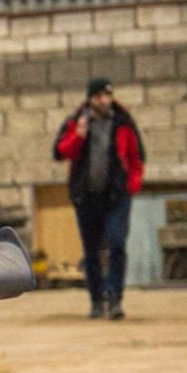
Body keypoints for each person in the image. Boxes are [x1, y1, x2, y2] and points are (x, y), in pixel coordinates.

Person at [52, 77, 145, 319]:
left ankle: (114, 299)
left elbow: (138, 157)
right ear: (91, 99)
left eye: (107, 95)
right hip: (87, 198)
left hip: (117, 197)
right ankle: (96, 300)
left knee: (117, 244)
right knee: (91, 251)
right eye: (99, 96)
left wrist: (132, 186)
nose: (104, 100)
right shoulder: (76, 121)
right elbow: (59, 153)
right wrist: (78, 135)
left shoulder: (123, 122)